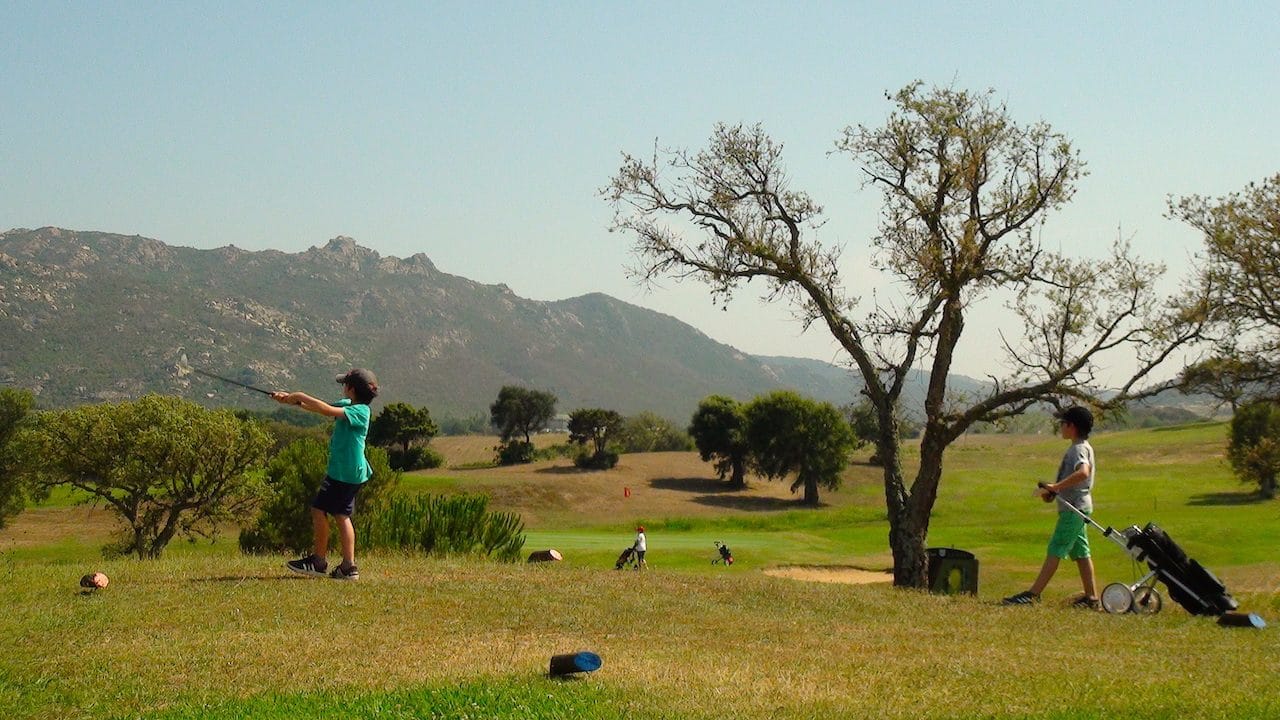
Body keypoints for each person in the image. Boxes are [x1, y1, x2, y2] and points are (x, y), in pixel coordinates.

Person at [275, 368, 378, 581]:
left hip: (345, 472)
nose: (343, 387)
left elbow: (325, 410)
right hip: (348, 472)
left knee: (321, 510)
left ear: (351, 388)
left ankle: (321, 562)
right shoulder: (350, 406)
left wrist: (299, 394)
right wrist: (289, 399)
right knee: (339, 514)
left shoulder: (361, 412)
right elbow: (320, 408)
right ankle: (346, 567)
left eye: (345, 384)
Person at [1003, 405, 1099, 609]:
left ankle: (1032, 594)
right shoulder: (1083, 446)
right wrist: (1053, 492)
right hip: (1079, 507)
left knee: (1056, 548)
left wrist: (1056, 487)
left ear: (1071, 426)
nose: (1061, 427)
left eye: (1063, 423)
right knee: (1081, 553)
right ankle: (1091, 598)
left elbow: (1083, 472)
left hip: (1074, 509)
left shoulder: (1078, 449)